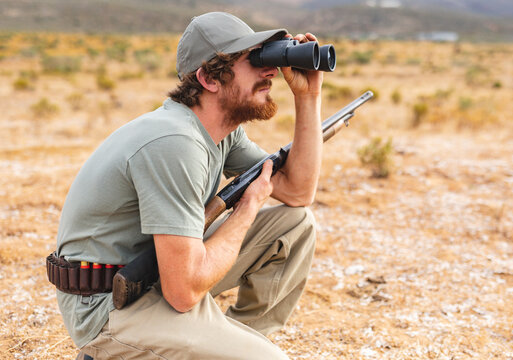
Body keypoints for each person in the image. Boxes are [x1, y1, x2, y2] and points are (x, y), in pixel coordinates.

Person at [52, 11, 323, 359]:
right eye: (255, 60)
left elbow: (298, 191)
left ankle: (239, 341)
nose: (270, 70)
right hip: (109, 307)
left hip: (154, 280)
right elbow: (183, 291)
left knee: (294, 224)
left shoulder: (219, 133)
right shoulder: (174, 141)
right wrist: (248, 208)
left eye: (268, 56)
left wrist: (308, 97)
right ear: (209, 79)